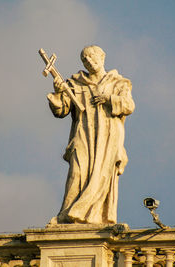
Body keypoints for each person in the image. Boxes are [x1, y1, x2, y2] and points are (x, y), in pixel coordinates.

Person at [47, 45, 135, 224]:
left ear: (102, 57)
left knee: (101, 175)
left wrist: (109, 99)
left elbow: (128, 105)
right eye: (85, 59)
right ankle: (68, 213)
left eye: (92, 56)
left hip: (108, 137)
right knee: (77, 173)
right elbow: (62, 110)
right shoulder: (74, 83)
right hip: (83, 134)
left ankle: (93, 216)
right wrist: (58, 92)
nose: (89, 61)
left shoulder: (118, 83)